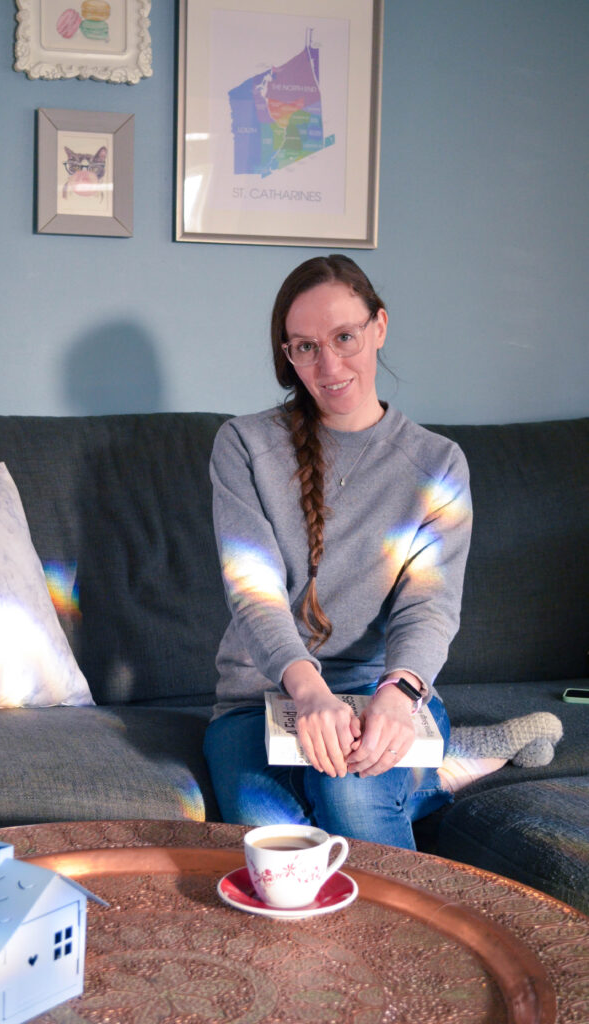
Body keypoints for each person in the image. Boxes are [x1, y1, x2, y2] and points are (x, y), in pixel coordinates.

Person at [204, 255, 562, 850]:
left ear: (379, 328)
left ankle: (404, 942)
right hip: (259, 698)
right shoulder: (243, 445)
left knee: (349, 791)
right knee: (271, 833)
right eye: (304, 347)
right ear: (287, 356)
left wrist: (397, 698)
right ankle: (445, 767)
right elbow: (253, 590)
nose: (328, 365)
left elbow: (429, 606)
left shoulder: (438, 464)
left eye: (345, 336)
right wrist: (311, 693)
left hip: (384, 695)